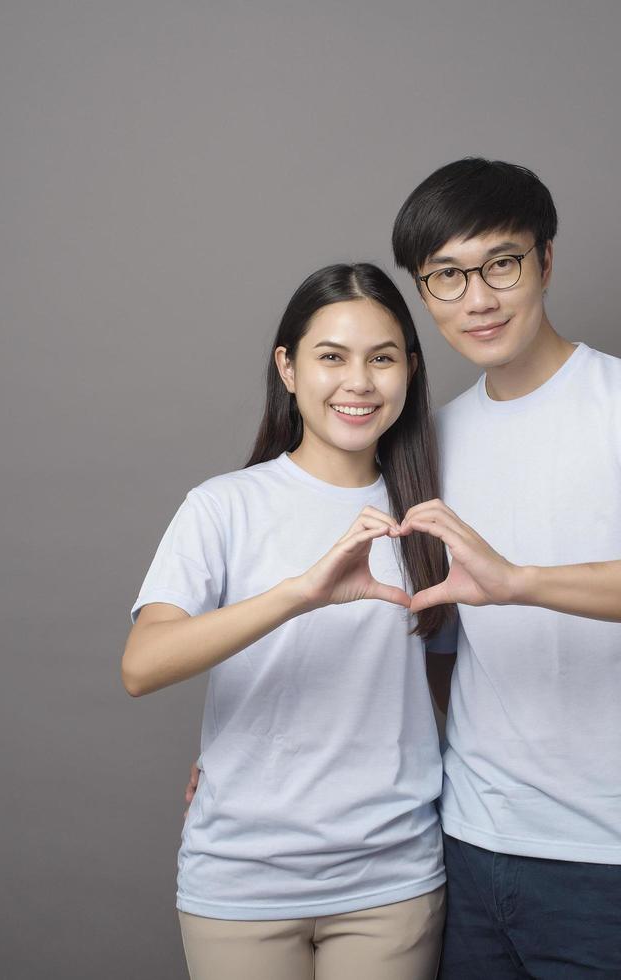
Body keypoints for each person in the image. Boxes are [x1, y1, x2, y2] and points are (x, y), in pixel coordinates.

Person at [392, 158, 621, 978]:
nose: (475, 298)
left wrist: (521, 582)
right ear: (424, 291)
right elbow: (432, 645)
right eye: (446, 276)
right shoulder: (433, 441)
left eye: (500, 265)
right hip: (467, 842)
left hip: (611, 855)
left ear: (546, 261)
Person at [123, 263, 453, 980]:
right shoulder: (223, 506)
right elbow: (143, 665)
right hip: (241, 876)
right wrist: (300, 592)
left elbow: (454, 671)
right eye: (331, 356)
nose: (358, 382)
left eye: (383, 358)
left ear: (411, 370)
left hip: (390, 875)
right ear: (289, 368)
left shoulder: (431, 511)